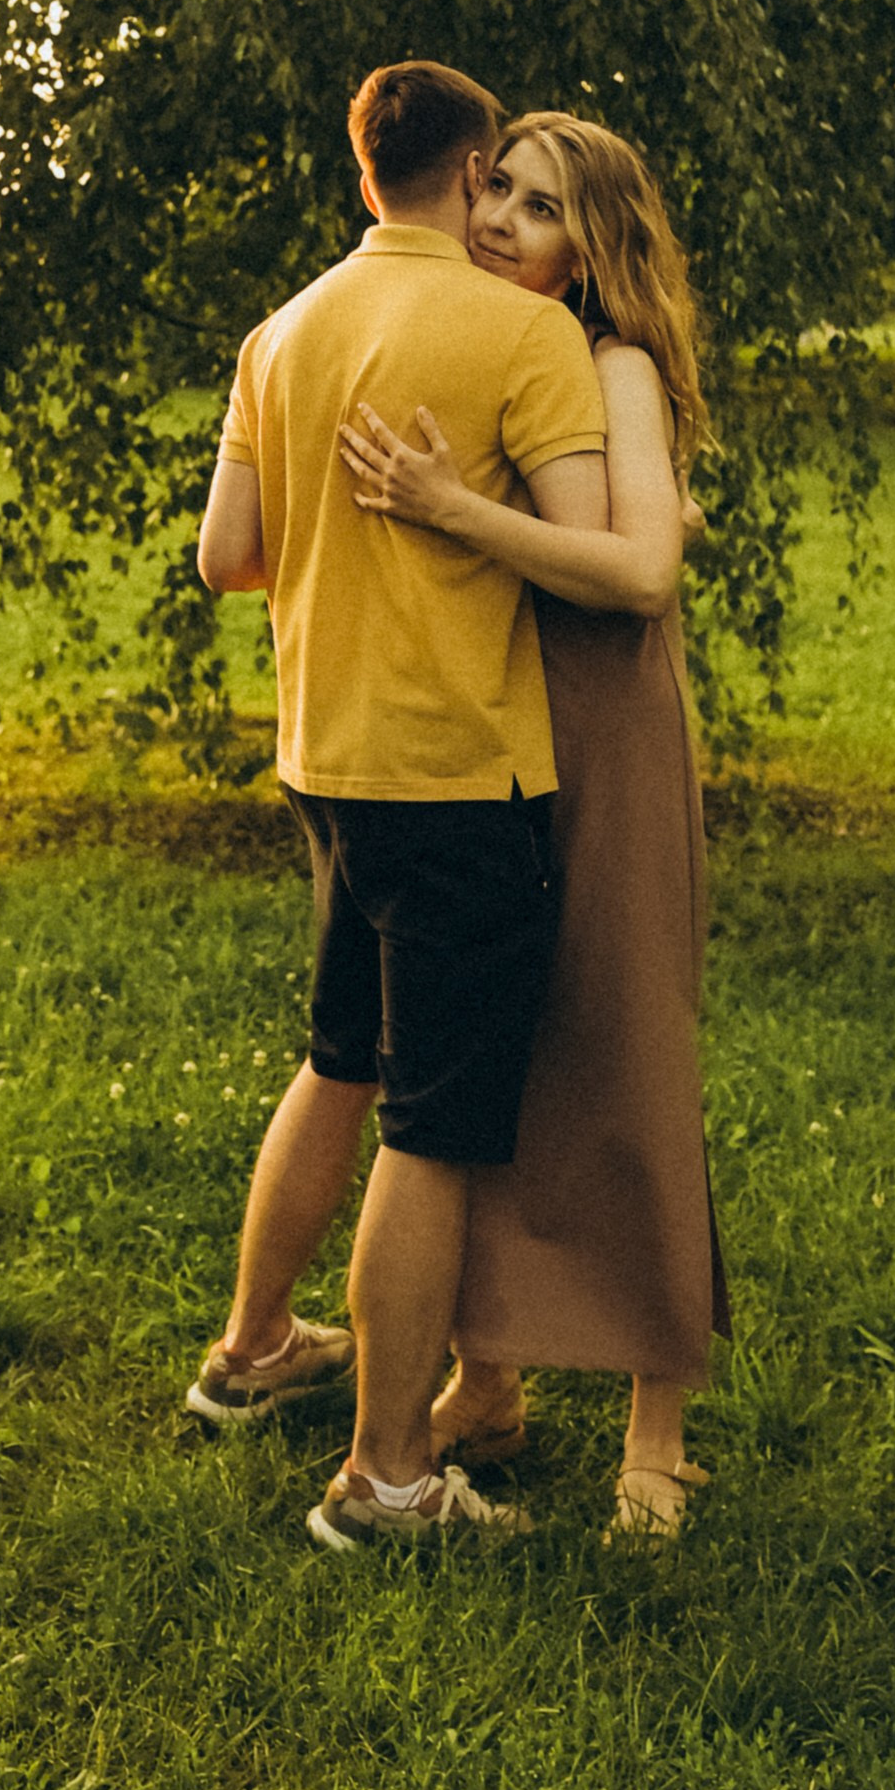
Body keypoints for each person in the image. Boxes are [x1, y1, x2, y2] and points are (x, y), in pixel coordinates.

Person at [189, 58, 611, 1552]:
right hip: (454, 770)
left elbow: (225, 555)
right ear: (471, 162)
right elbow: (592, 559)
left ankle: (248, 1355)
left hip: (323, 756)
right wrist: (446, 523)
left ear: (364, 172)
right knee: (430, 1129)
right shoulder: (526, 334)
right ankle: (384, 1477)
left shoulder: (282, 332)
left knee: (339, 1057)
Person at [337, 111, 729, 1539]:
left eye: (539, 205)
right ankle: (486, 1382)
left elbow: (638, 571)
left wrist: (449, 506)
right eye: (493, 185)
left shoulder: (609, 360)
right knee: (486, 1045)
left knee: (622, 1049)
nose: (497, 214)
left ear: (593, 244)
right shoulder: (498, 344)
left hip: (604, 734)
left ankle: (656, 1427)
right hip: (492, 738)